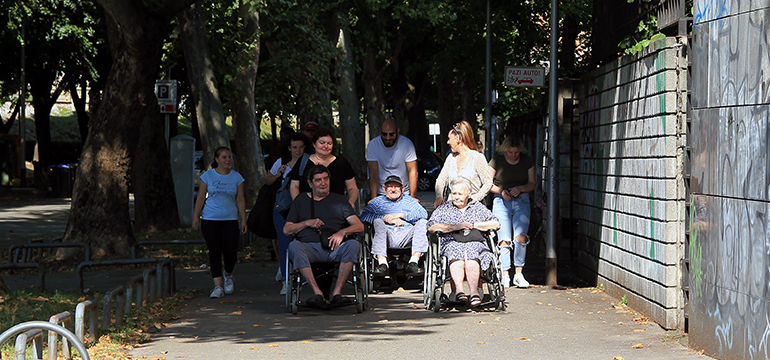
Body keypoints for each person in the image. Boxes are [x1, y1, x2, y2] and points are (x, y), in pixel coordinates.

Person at [284, 165, 364, 309]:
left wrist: (342, 232)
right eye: (318, 180)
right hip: (309, 248)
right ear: (310, 183)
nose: (323, 183)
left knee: (353, 245)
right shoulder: (301, 200)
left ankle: (336, 293)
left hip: (335, 248)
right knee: (294, 246)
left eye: (326, 179)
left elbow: (359, 226)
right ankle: (318, 293)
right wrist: (306, 223)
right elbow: (287, 229)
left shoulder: (339, 200)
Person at [427, 179, 500, 306]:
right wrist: (455, 226)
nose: (456, 197)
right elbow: (431, 227)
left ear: (469, 194)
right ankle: (459, 291)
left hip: (475, 241)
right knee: (456, 254)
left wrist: (474, 225)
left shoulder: (478, 208)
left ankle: (474, 293)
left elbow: (495, 223)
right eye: (454, 193)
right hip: (452, 241)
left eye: (460, 194)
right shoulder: (444, 209)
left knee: (472, 254)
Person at [192, 146, 248, 299]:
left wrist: (243, 218)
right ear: (216, 159)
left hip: (229, 219)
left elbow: (240, 199)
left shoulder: (237, 177)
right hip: (210, 218)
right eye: (224, 157)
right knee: (214, 251)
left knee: (231, 252)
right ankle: (217, 286)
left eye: (229, 157)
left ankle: (228, 274)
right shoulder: (207, 176)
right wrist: (196, 216)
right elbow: (201, 197)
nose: (227, 160)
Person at [265, 132, 310, 295]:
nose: (298, 150)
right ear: (289, 148)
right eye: (294, 147)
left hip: (305, 208)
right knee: (283, 243)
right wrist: (278, 174)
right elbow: (268, 180)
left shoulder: (309, 162)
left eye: (300, 147)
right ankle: (286, 279)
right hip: (283, 208)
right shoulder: (281, 162)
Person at [488, 136, 536, 288]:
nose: (514, 155)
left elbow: (532, 183)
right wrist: (501, 191)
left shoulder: (527, 161)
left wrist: (521, 188)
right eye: (510, 152)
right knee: (504, 238)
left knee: (521, 236)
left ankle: (518, 273)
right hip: (501, 201)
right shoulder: (497, 161)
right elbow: (487, 184)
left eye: (516, 152)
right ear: (505, 150)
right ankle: (505, 274)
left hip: (521, 200)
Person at [360, 175, 428, 276]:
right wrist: (385, 218)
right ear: (384, 189)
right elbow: (364, 216)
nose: (393, 189)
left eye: (396, 187)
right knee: (378, 222)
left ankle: (413, 262)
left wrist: (401, 216)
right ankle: (382, 264)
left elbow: (424, 214)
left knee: (423, 222)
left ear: (402, 189)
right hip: (386, 235)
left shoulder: (410, 201)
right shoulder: (377, 202)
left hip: (407, 235)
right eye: (390, 187)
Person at [288, 127, 358, 209]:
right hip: (308, 209)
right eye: (322, 143)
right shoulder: (303, 162)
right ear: (314, 144)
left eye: (329, 143)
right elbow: (294, 186)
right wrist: (299, 204)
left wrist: (351, 202)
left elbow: (352, 188)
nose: (326, 146)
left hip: (336, 209)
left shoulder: (342, 163)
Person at [433, 121, 492, 208]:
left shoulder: (477, 157)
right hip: (452, 207)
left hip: (473, 208)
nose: (448, 142)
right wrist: (439, 196)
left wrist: (472, 200)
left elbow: (488, 182)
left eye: (449, 138)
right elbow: (441, 179)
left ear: (458, 139)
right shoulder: (451, 157)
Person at [366, 118, 418, 201]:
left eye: (391, 134)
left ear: (397, 131)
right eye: (384, 134)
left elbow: (413, 171)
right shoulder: (373, 145)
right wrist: (374, 198)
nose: (388, 137)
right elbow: (373, 173)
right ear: (380, 131)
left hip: (404, 193)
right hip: (382, 193)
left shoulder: (407, 144)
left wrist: (412, 196)